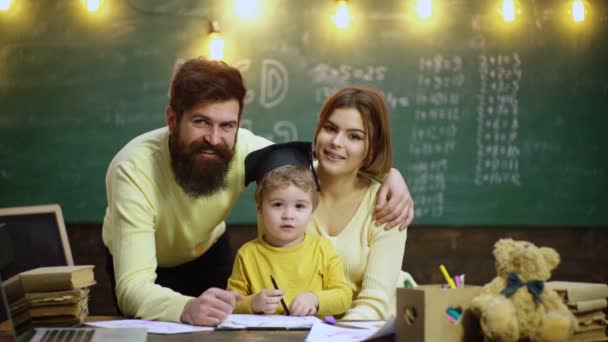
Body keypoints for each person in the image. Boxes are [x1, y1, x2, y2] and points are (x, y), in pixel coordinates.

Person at [102, 57, 413, 326]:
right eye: (200, 122)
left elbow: (312, 165)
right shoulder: (133, 168)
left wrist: (391, 175)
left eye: (227, 125)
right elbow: (133, 287)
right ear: (172, 119)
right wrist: (186, 307)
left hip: (208, 251)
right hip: (146, 260)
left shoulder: (255, 157)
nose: (214, 137)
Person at [308, 86, 412, 320]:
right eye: (330, 128)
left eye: (354, 136)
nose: (336, 142)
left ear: (372, 147)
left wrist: (332, 336)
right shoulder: (284, 192)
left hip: (368, 330)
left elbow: (373, 304)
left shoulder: (388, 203)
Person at [227, 142, 352, 316]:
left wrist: (315, 299)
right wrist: (252, 303)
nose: (288, 215)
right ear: (259, 208)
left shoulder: (322, 250)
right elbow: (232, 303)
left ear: (313, 208)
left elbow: (344, 297)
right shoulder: (247, 255)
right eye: (278, 204)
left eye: (299, 206)